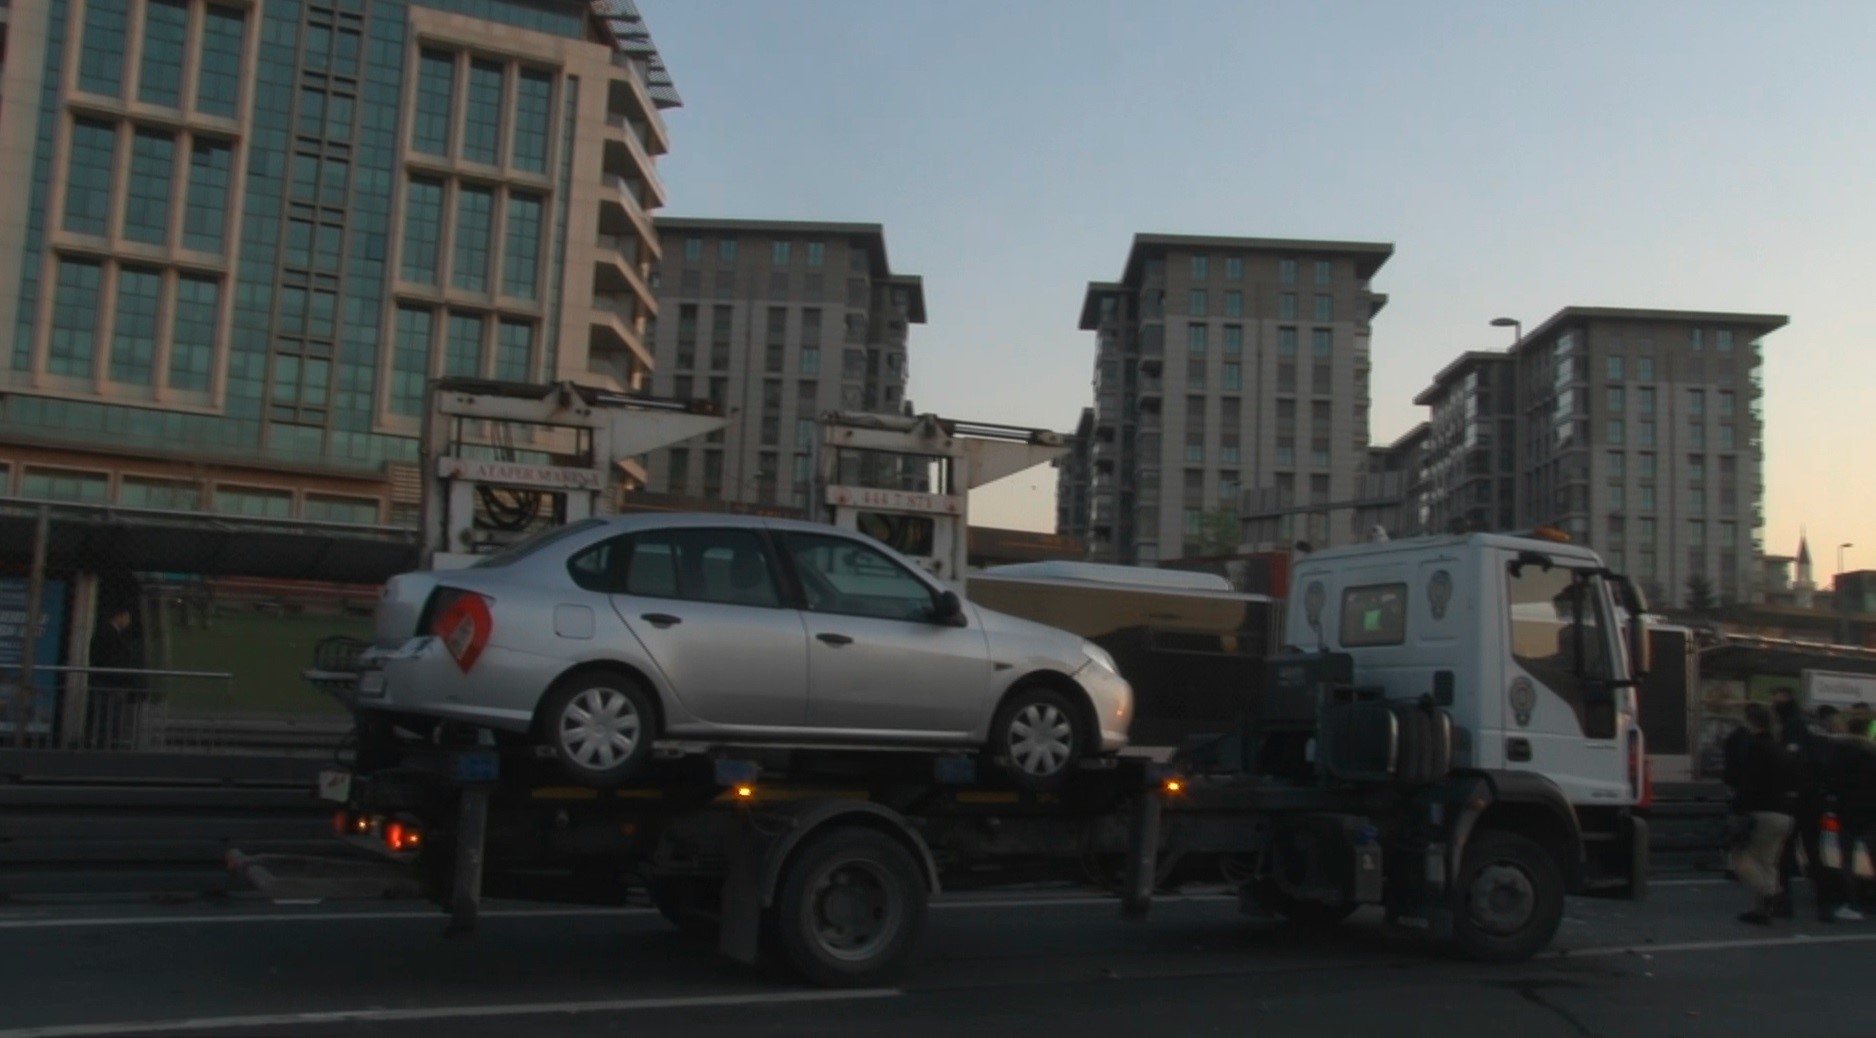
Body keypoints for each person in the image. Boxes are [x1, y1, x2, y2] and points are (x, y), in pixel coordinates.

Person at [1772, 687, 1852, 921]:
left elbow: (1792, 759)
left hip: (1796, 797)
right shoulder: (1816, 727)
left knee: (1786, 852)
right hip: (1816, 796)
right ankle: (1824, 905)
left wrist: (1788, 789)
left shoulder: (1792, 727)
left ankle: (1785, 903)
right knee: (1814, 852)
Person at [1724, 703, 1795, 925]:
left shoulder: (1753, 747)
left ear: (1750, 721)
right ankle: (1760, 909)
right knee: (1767, 861)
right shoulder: (1778, 748)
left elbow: (1745, 780)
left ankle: (1772, 892)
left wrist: (1737, 809)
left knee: (1741, 859)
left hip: (1759, 811)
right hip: (1783, 813)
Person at [86, 606, 148, 750]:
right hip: (109, 683)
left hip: (106, 682)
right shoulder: (109, 635)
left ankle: (105, 744)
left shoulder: (107, 634)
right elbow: (112, 661)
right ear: (119, 616)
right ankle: (106, 746)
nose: (128, 621)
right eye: (127, 617)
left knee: (107, 717)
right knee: (108, 718)